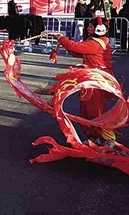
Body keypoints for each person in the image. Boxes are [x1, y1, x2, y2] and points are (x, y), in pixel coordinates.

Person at [49, 15, 116, 147]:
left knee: (96, 110)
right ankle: (93, 137)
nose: (87, 28)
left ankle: (109, 138)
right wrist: (62, 42)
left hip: (97, 79)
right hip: (90, 79)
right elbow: (78, 52)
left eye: (90, 26)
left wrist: (61, 38)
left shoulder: (98, 43)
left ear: (99, 29)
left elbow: (76, 47)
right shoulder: (93, 41)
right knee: (86, 109)